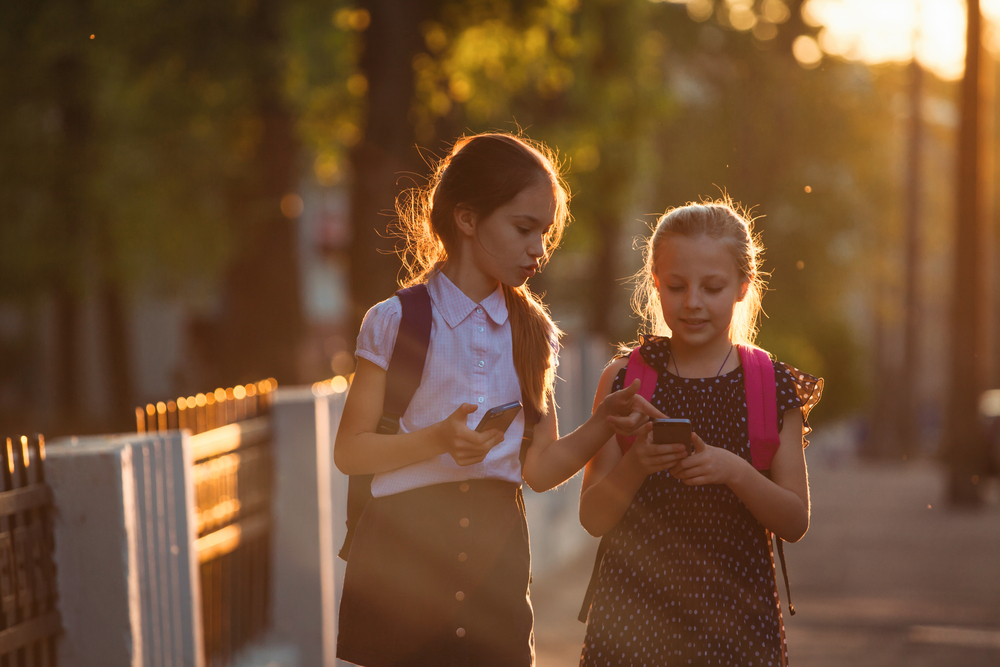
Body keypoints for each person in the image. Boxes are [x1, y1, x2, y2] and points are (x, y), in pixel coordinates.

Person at [334, 132, 651, 667]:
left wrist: (603, 423)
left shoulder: (535, 332)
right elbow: (351, 452)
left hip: (495, 567)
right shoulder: (395, 321)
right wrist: (436, 440)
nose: (540, 248)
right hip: (400, 562)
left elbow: (541, 469)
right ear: (467, 219)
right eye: (524, 228)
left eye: (545, 233)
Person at [578, 200, 823, 667]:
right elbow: (592, 518)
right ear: (654, 283)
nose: (692, 301)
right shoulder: (622, 379)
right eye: (676, 286)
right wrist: (635, 465)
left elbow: (794, 521)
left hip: (738, 634)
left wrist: (736, 472)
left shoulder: (772, 386)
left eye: (712, 287)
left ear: (742, 287)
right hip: (630, 631)